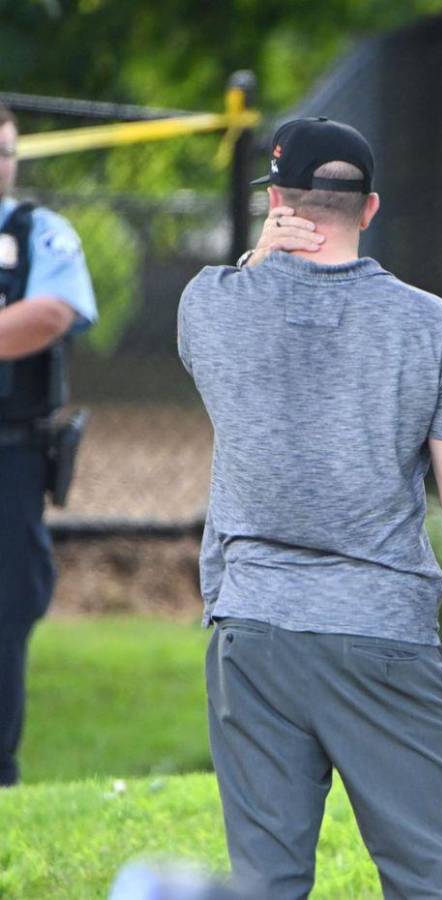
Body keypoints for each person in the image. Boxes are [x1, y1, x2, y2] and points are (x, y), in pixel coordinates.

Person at [178, 117, 442, 899]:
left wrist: (260, 253)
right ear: (371, 207)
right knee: (434, 879)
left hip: (252, 627)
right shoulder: (431, 325)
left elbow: (240, 288)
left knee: (266, 882)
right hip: (383, 629)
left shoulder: (209, 305)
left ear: (279, 201)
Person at [0, 101, 98, 787]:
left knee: (5, 612)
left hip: (10, 455)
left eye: (7, 152)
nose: (1, 166)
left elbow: (51, 314)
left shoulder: (40, 233)